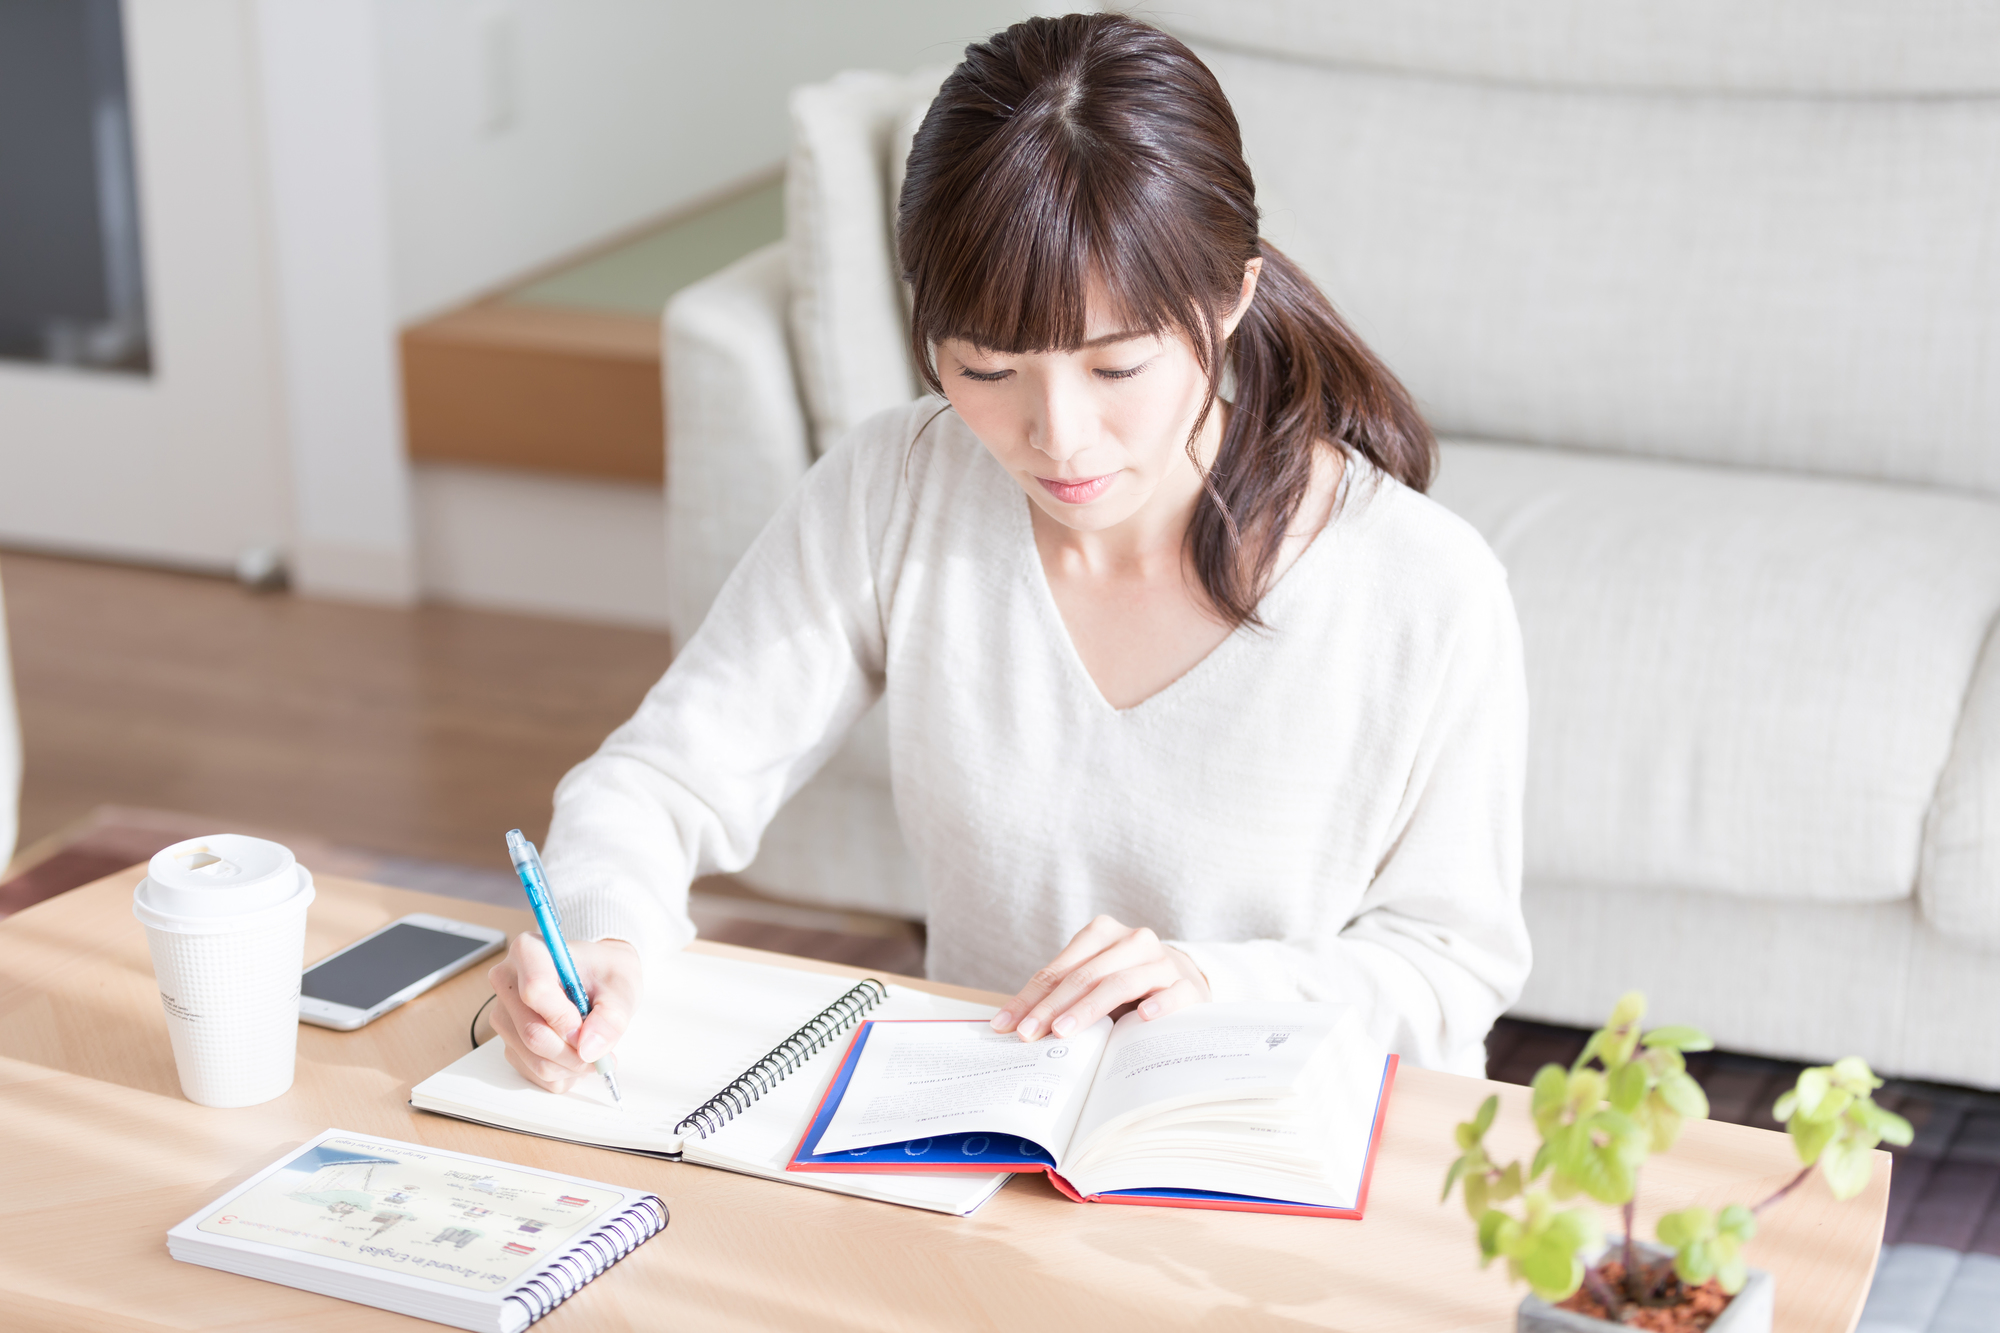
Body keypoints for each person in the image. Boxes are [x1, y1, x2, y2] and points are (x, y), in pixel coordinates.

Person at [487, 12, 1530, 1093]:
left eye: (1115, 369)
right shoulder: (900, 486)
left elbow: (1450, 967)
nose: (1057, 438)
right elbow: (658, 781)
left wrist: (1209, 983)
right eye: (986, 371)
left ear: (1230, 299)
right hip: (989, 1133)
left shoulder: (1419, 584)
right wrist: (608, 934)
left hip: (1282, 1128)